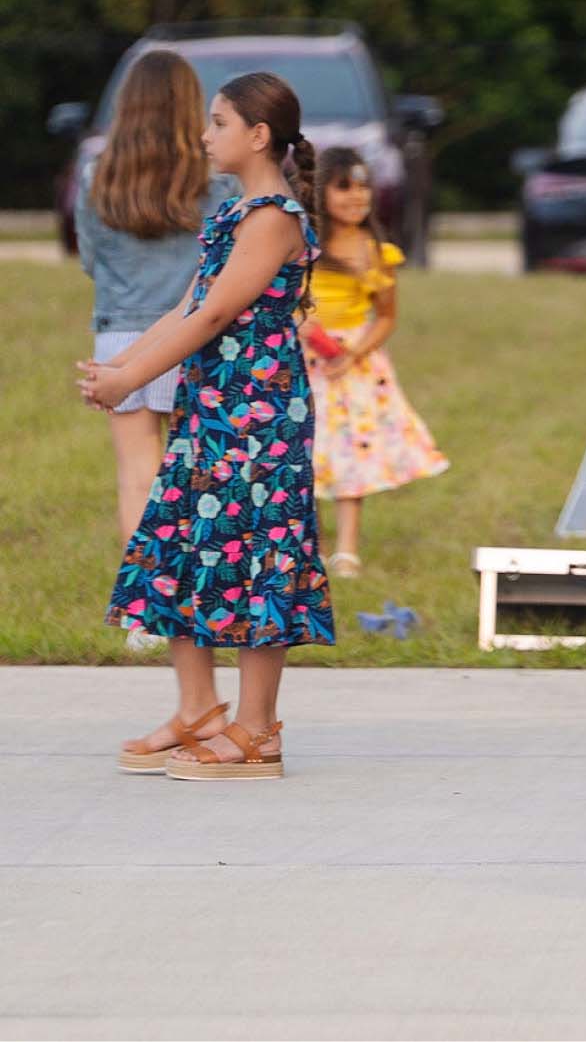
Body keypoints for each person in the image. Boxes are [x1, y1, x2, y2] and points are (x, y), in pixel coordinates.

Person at [83, 72, 334, 780]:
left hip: (258, 415)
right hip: (214, 409)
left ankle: (258, 731)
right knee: (180, 541)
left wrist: (133, 380)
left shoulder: (273, 216)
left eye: (218, 122)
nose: (203, 133)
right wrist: (121, 366)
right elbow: (186, 305)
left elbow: (218, 314)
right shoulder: (235, 211)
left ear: (258, 135)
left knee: (260, 555)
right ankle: (199, 709)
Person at [73, 51, 233, 574]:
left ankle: (146, 608)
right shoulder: (216, 178)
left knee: (137, 476)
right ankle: (204, 590)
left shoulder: (97, 173)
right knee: (199, 475)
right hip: (194, 335)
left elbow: (91, 259)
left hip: (120, 337)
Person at [303, 147, 449, 579]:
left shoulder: (374, 251)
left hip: (351, 362)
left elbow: (386, 316)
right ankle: (311, 544)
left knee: (350, 449)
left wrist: (352, 354)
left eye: (363, 187)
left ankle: (347, 549)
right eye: (344, 187)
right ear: (320, 192)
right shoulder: (302, 243)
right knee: (304, 451)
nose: (356, 197)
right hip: (300, 357)